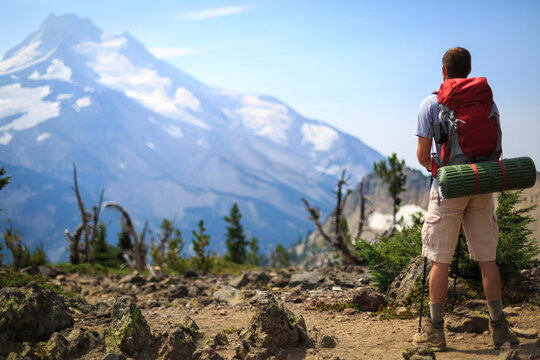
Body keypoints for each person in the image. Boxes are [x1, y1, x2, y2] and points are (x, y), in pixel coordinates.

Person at [413, 47, 518, 351]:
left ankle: (434, 331)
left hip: (449, 188)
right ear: (468, 71)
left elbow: (422, 157)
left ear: (443, 71)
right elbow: (494, 147)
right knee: (488, 260)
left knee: (440, 260)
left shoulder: (431, 103)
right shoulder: (486, 101)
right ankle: (499, 329)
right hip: (482, 183)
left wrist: (445, 174)